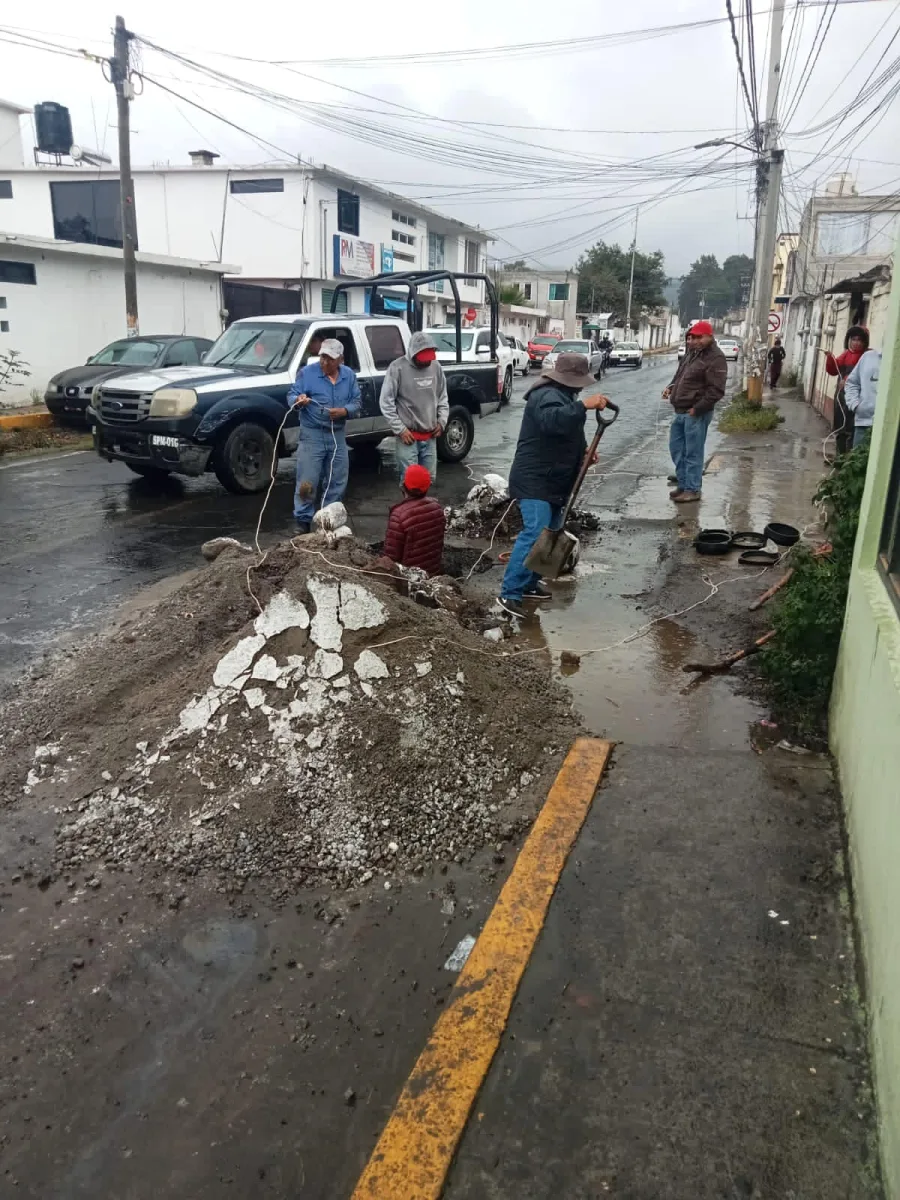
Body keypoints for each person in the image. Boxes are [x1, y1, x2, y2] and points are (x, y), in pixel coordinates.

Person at [498, 353, 608, 618]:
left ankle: (529, 584)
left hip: (555, 481)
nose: (582, 387)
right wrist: (584, 406)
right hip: (535, 479)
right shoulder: (545, 395)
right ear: (568, 379)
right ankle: (509, 592)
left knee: (550, 536)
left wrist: (584, 453)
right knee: (535, 533)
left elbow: (570, 434)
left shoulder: (564, 397)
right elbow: (552, 421)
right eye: (579, 381)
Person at [289, 337, 361, 532]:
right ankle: (302, 522)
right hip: (312, 434)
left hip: (337, 434)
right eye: (322, 357)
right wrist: (299, 399)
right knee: (307, 481)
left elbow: (356, 402)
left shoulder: (348, 376)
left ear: (340, 359)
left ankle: (327, 520)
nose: (324, 362)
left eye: (330, 359)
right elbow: (292, 395)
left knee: (337, 480)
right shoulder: (307, 373)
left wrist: (344, 411)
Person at [663, 319, 727, 504]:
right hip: (680, 411)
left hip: (695, 413)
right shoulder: (693, 353)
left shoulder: (715, 358)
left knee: (693, 453)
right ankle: (683, 484)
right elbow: (681, 375)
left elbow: (716, 390)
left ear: (709, 336)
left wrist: (696, 409)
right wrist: (671, 387)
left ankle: (692, 489)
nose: (694, 341)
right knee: (677, 449)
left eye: (699, 337)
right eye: (692, 337)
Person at [379, 331, 449, 482]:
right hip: (408, 437)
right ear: (413, 353)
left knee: (428, 480)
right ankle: (409, 506)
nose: (427, 362)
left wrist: (442, 421)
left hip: (430, 436)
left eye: (429, 358)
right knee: (410, 483)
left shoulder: (436, 367)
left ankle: (424, 506)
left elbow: (443, 397)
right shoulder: (397, 368)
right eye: (423, 358)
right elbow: (386, 402)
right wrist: (400, 429)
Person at [383, 464, 446, 575]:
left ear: (404, 486)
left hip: (410, 579)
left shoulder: (398, 515)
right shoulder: (437, 508)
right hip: (433, 574)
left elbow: (391, 559)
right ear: (427, 487)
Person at [825, 325, 869, 455]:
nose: (856, 343)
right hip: (841, 397)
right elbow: (833, 370)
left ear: (865, 342)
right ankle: (840, 457)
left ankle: (850, 458)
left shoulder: (867, 356)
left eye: (859, 340)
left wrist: (848, 381)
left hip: (858, 398)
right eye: (853, 339)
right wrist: (830, 358)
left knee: (853, 427)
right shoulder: (845, 355)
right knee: (840, 426)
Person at [843, 347, 881, 449]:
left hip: (893, 429)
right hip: (864, 422)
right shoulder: (869, 357)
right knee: (857, 461)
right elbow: (852, 383)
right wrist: (855, 405)